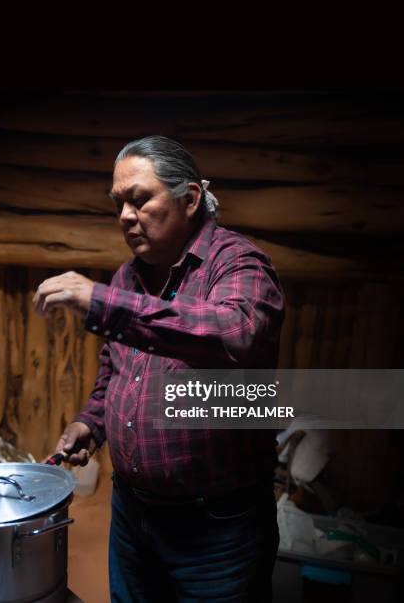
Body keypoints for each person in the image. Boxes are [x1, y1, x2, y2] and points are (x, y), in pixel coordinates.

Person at [32, 135, 285, 602]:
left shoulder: (237, 264)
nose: (125, 216)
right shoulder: (130, 275)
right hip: (133, 514)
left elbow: (236, 334)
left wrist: (102, 300)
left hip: (215, 528)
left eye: (139, 199)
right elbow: (117, 368)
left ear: (189, 199)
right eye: (119, 203)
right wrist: (93, 421)